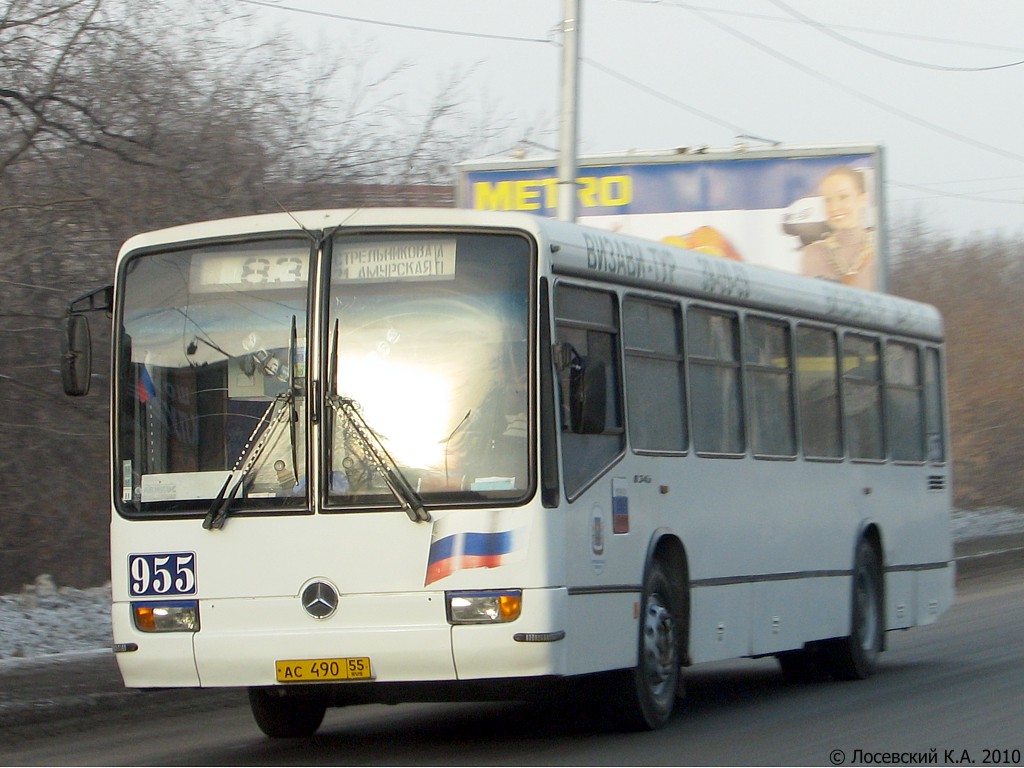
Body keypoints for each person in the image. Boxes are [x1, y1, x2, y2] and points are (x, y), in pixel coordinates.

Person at [801, 165, 877, 290]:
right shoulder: (813, 254)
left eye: (843, 197)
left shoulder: (879, 253)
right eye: (828, 200)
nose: (834, 207)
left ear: (863, 199)